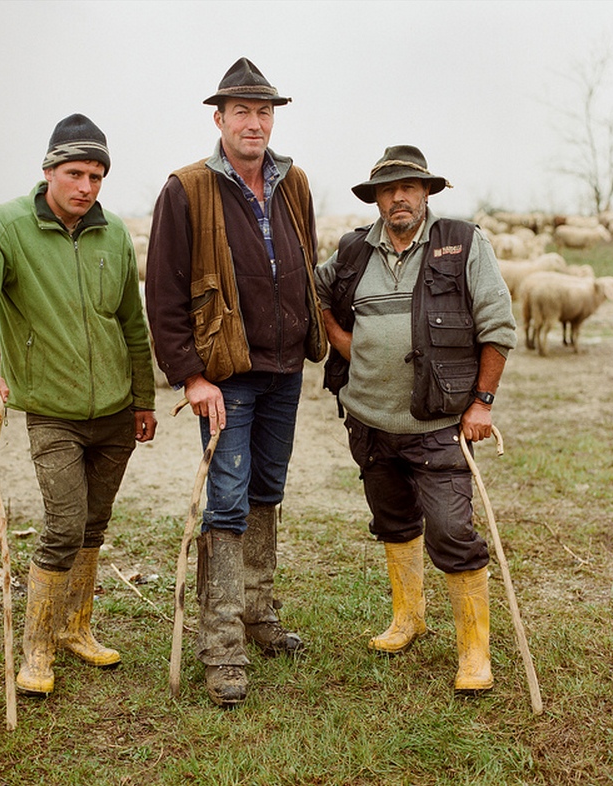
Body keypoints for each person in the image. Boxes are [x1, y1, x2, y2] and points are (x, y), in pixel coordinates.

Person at [0, 113, 157, 696]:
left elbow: (131, 323)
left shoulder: (112, 232)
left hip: (114, 411)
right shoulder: (5, 227)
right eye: (74, 173)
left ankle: (75, 628)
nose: (85, 186)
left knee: (94, 524)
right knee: (64, 524)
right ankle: (37, 647)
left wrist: (143, 397)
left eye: (96, 175)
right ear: (47, 171)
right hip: (51, 409)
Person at [145, 58, 325, 707]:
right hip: (227, 375)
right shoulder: (186, 188)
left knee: (266, 490)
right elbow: (163, 292)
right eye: (242, 111)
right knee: (226, 499)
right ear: (218, 119)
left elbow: (306, 262)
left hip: (284, 368)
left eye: (264, 111)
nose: (255, 122)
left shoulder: (293, 181)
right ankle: (221, 644)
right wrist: (190, 374)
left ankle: (257, 611)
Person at [315, 145, 516, 692]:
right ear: (376, 197)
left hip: (440, 422)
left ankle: (475, 654)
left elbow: (498, 326)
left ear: (427, 192)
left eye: (409, 187)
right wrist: (339, 337)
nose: (398, 197)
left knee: (452, 531)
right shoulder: (355, 250)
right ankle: (408, 618)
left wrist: (482, 402)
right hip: (370, 420)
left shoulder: (463, 243)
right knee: (394, 521)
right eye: (387, 189)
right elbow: (316, 290)